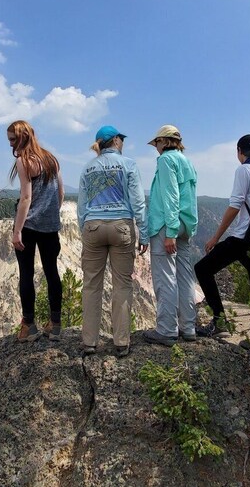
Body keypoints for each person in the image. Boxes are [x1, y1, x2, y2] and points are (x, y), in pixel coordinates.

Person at [77, 125, 148, 358]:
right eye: (121, 139)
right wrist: (144, 232)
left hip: (93, 226)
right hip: (121, 226)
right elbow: (138, 201)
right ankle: (121, 342)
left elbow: (81, 206)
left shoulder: (88, 168)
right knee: (122, 285)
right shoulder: (128, 164)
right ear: (116, 140)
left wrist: (84, 232)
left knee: (91, 285)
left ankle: (89, 342)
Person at [193, 134, 250, 344]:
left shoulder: (244, 169)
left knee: (202, 269)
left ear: (239, 152)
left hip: (242, 238)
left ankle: (220, 322)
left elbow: (235, 205)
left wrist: (216, 237)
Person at [7, 120, 65, 342]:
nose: (11, 144)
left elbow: (26, 197)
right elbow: (60, 192)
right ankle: (56, 324)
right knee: (52, 273)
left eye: (13, 139)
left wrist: (17, 231)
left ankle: (29, 326)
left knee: (26, 274)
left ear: (22, 137)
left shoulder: (24, 161)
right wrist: (51, 214)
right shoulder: (50, 158)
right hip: (50, 227)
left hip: (29, 225)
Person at [143, 125, 199, 347]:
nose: (155, 147)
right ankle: (188, 327)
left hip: (167, 225)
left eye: (156, 143)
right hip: (186, 223)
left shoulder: (166, 161)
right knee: (185, 276)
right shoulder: (187, 161)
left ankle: (166, 329)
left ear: (164, 142)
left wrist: (170, 233)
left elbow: (170, 196)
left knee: (165, 276)